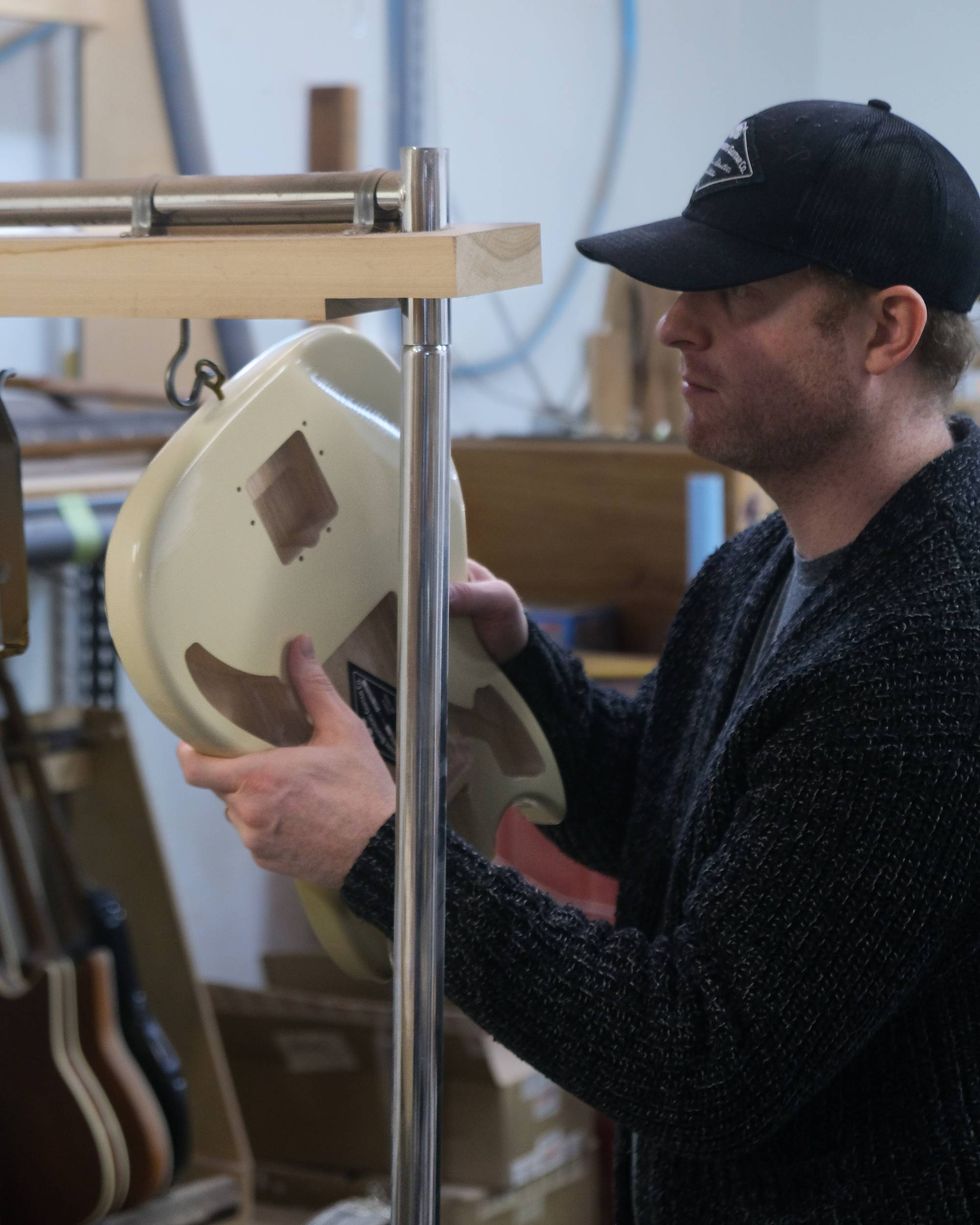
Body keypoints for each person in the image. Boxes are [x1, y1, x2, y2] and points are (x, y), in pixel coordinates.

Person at [179, 99, 980, 1222]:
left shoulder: (925, 658)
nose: (670, 327)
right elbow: (657, 808)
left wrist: (386, 856)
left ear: (885, 331)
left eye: (734, 294)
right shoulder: (761, 566)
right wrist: (521, 665)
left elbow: (700, 1056)